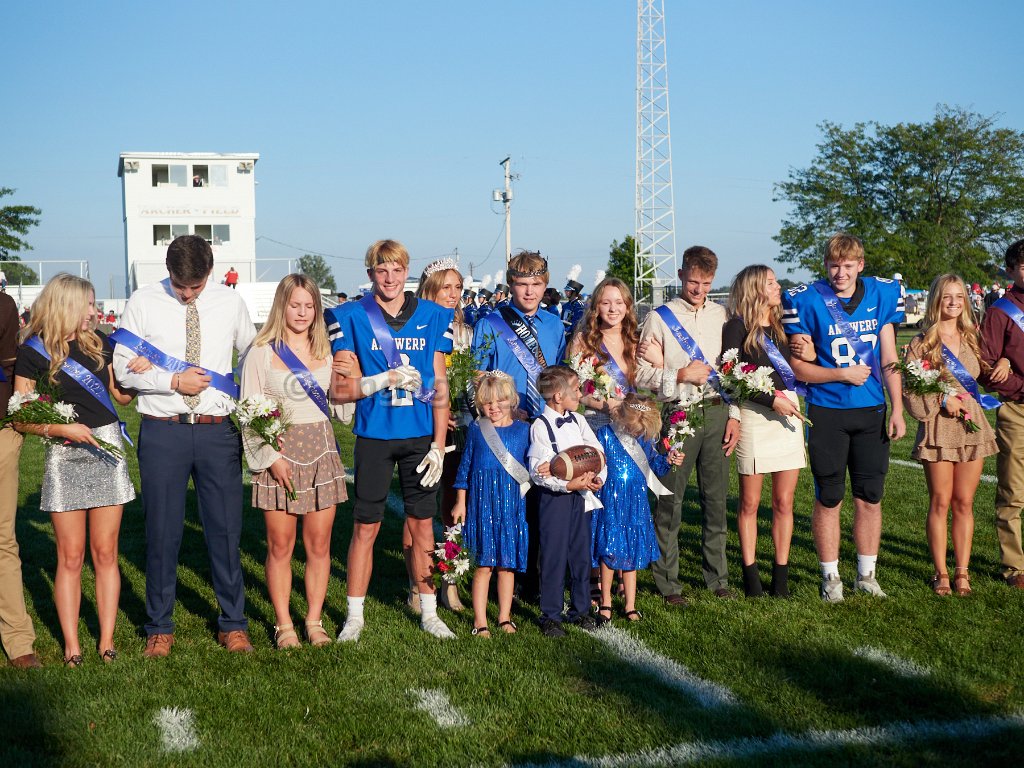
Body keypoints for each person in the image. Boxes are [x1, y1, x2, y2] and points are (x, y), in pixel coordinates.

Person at [113, 234, 256, 656]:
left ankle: (233, 624)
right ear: (168, 270)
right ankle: (159, 626)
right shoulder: (142, 301)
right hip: (163, 430)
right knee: (161, 532)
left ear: (210, 272)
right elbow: (122, 370)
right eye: (180, 286)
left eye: (196, 286)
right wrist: (170, 380)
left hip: (217, 431)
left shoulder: (230, 302)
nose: (188, 294)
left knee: (225, 532)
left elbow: (252, 355)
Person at [14, 274, 146, 665]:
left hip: (106, 450)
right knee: (70, 557)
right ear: (67, 304)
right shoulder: (33, 352)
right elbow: (20, 416)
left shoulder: (99, 343)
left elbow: (121, 397)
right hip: (65, 453)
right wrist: (61, 429)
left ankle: (106, 641)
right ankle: (72, 646)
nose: (93, 311)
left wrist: (137, 374)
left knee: (106, 553)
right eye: (88, 304)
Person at [327, 239, 455, 641]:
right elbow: (341, 387)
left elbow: (440, 384)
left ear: (407, 271)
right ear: (370, 274)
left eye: (397, 270)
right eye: (382, 270)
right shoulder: (351, 315)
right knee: (365, 527)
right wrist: (379, 378)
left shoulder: (435, 315)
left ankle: (430, 612)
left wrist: (439, 443)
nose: (390, 278)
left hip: (419, 437)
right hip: (375, 434)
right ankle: (354, 615)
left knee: (423, 526)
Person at [783, 232, 905, 602]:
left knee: (870, 495)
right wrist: (841, 374)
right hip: (827, 410)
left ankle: (866, 575)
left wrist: (898, 408)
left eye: (848, 265)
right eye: (834, 265)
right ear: (826, 265)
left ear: (860, 265)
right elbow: (798, 369)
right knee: (830, 496)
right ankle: (830, 577)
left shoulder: (881, 295)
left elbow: (889, 358)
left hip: (871, 410)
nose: (841, 273)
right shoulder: (806, 299)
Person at [240, 274, 347, 648]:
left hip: (322, 453)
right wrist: (271, 458)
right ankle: (284, 624)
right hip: (279, 459)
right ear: (281, 307)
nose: (302, 312)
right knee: (280, 546)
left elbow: (342, 411)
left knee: (319, 546)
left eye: (309, 305)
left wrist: (352, 379)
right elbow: (248, 411)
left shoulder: (328, 350)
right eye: (294, 305)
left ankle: (314, 621)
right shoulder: (260, 351)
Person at [636, 245, 741, 603]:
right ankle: (668, 582)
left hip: (717, 411)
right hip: (677, 412)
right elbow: (642, 375)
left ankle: (718, 578)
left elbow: (731, 371)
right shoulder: (659, 317)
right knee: (669, 500)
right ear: (681, 275)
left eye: (706, 283)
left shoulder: (721, 315)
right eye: (693, 281)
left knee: (716, 500)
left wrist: (735, 415)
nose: (699, 289)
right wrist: (679, 374)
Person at [902, 274, 998, 596]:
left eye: (959, 297)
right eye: (947, 297)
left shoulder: (973, 337)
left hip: (971, 424)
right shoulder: (921, 343)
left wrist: (1005, 361)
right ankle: (940, 572)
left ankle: (962, 572)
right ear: (936, 301)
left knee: (964, 502)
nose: (954, 303)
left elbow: (988, 371)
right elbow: (911, 390)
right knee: (941, 501)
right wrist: (943, 399)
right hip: (938, 426)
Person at [723, 265, 814, 597]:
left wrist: (811, 353)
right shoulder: (736, 327)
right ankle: (751, 579)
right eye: (772, 283)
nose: (778, 288)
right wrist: (769, 400)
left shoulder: (783, 326)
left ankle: (781, 579)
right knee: (749, 502)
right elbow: (729, 376)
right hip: (754, 415)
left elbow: (800, 367)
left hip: (787, 413)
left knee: (784, 502)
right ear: (755, 289)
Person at [402, 258, 471, 613]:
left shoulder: (466, 332)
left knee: (453, 505)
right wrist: (436, 409)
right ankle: (417, 583)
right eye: (446, 286)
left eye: (458, 287)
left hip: (461, 425)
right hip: (422, 423)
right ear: (429, 289)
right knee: (418, 507)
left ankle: (449, 582)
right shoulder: (413, 326)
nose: (453, 294)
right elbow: (406, 376)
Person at [528, 365, 606, 637]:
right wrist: (567, 483)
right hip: (555, 500)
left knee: (581, 555)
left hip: (582, 496)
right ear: (558, 396)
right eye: (576, 389)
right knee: (554, 555)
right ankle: (550, 615)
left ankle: (581, 610)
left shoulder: (579, 420)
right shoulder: (540, 425)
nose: (581, 393)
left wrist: (597, 477)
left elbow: (597, 452)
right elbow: (538, 471)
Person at [451, 371, 530, 637]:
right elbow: (465, 468)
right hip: (481, 506)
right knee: (484, 565)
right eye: (487, 403)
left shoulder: (524, 431)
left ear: (512, 400)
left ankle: (504, 617)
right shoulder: (477, 430)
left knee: (506, 565)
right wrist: (460, 502)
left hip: (511, 507)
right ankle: (480, 620)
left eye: (500, 401)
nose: (494, 407)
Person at [592, 393, 683, 623]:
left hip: (635, 503)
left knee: (631, 553)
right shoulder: (604, 434)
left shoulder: (644, 439)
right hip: (610, 502)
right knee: (609, 550)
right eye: (634, 429)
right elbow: (596, 465)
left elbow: (654, 466)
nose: (636, 433)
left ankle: (630, 604)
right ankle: (606, 601)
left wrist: (668, 460)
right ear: (622, 416)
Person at [980, 238, 1024, 589]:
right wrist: (1007, 370)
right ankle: (1015, 567)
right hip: (1017, 410)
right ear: (1010, 271)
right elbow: (984, 368)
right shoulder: (1000, 312)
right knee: (1013, 492)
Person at [0, 289, 40, 669]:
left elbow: (14, 371)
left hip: (0, 431)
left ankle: (17, 639)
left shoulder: (3, 305)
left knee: (2, 539)